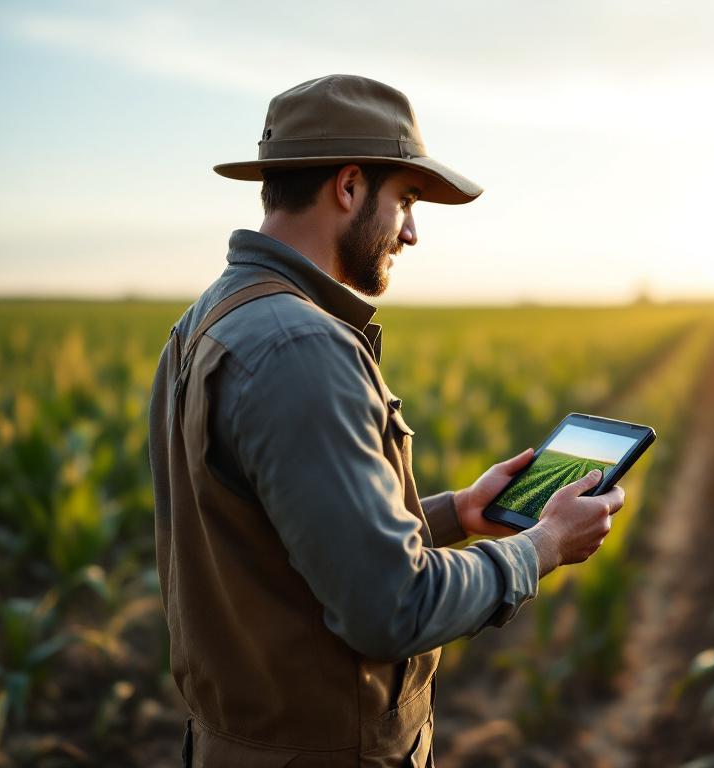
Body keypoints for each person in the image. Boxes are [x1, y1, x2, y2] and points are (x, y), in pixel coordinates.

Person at [147, 74, 625, 767]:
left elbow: (284, 540)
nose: (411, 230)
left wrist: (458, 511)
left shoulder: (206, 323)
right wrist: (543, 545)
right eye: (405, 199)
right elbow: (391, 607)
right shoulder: (299, 346)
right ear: (347, 187)